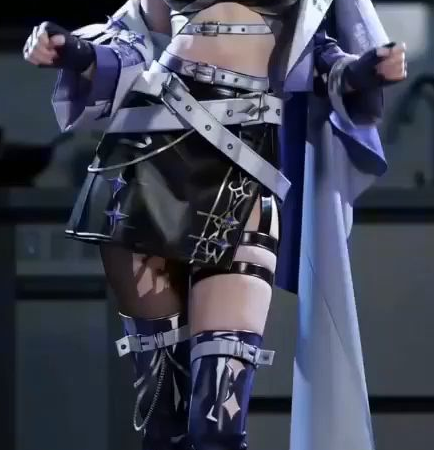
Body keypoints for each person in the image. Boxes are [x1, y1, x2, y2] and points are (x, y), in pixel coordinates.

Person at [23, 1, 406, 449]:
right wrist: (72, 51)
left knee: (217, 426)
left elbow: (320, 62)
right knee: (164, 425)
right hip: (150, 161)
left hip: (243, 176)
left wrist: (365, 71)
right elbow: (133, 45)